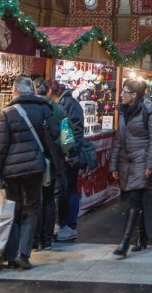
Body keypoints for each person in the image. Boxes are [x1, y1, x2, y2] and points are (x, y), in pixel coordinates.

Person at [0, 76, 60, 270]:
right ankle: (23, 253)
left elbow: (2, 146)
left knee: (14, 209)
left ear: (16, 91)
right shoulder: (44, 109)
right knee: (31, 209)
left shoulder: (7, 112)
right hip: (34, 168)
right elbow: (52, 135)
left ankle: (11, 256)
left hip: (11, 169)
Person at [110, 78, 152, 258]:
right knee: (135, 200)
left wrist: (150, 164)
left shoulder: (149, 110)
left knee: (134, 199)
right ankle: (142, 237)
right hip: (126, 160)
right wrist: (114, 163)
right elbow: (119, 139)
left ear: (134, 95)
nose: (121, 95)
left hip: (142, 159)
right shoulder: (123, 111)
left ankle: (124, 243)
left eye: (125, 92)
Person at [48, 79, 86, 242]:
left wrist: (71, 153)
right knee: (63, 190)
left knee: (69, 189)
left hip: (69, 157)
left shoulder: (69, 104)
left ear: (51, 91)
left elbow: (75, 131)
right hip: (64, 156)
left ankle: (70, 226)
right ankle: (63, 224)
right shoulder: (64, 103)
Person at [32, 75, 66, 252]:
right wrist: (59, 152)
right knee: (49, 198)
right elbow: (67, 140)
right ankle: (47, 238)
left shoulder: (32, 109)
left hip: (35, 160)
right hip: (52, 161)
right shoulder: (60, 110)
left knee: (36, 199)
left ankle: (35, 239)